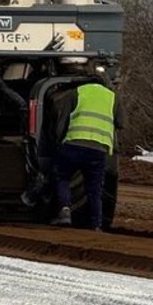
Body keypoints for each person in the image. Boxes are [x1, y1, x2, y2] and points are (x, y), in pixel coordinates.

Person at [50, 72, 123, 230]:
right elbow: (121, 123)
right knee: (95, 188)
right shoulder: (112, 96)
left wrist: (59, 141)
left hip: (74, 145)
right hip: (98, 149)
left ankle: (65, 211)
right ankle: (96, 225)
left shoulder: (76, 92)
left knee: (62, 177)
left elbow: (62, 121)